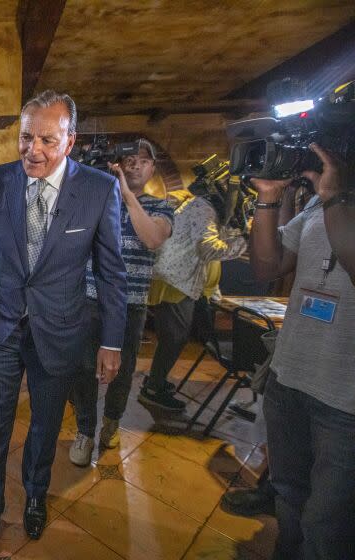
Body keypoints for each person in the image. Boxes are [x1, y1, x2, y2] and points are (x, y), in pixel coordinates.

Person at [0, 90, 127, 558]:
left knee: (45, 425)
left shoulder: (98, 189)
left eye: (47, 140)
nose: (33, 150)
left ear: (70, 141)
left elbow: (111, 271)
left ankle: (35, 494)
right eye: (26, 137)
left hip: (60, 330)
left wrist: (112, 341)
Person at [250, 143, 355, 559]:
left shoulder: (329, 200)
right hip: (290, 375)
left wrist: (334, 198)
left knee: (327, 523)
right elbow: (266, 267)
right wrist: (269, 197)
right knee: (289, 496)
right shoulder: (315, 207)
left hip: (344, 397)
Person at [68, 139, 173, 466]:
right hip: (88, 297)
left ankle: (111, 421)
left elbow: (153, 239)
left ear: (152, 169)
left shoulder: (160, 207)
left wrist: (127, 196)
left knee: (122, 370)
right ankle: (85, 429)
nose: (135, 165)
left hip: (130, 302)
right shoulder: (99, 199)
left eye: (143, 161)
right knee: (83, 367)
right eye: (129, 159)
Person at [142, 178, 247, 411]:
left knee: (173, 337)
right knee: (174, 338)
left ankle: (155, 380)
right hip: (174, 279)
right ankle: (153, 388)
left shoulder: (199, 206)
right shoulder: (203, 209)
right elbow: (208, 247)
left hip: (174, 277)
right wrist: (245, 244)